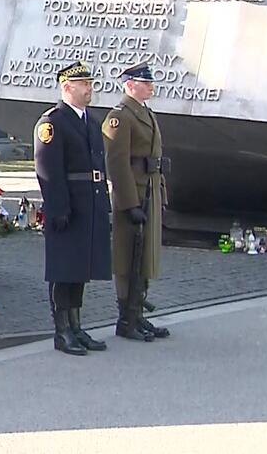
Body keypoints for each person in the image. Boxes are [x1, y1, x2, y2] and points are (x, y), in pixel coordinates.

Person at [34, 61, 112, 356]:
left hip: (89, 203)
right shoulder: (52, 123)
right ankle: (62, 329)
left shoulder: (90, 122)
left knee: (81, 268)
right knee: (63, 269)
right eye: (84, 84)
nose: (89, 89)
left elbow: (98, 167)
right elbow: (48, 169)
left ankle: (77, 326)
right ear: (67, 87)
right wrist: (58, 208)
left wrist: (102, 203)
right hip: (67, 206)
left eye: (90, 83)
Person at [101, 62, 169, 341]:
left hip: (149, 190)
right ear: (130, 85)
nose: (151, 86)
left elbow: (153, 158)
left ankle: (138, 314)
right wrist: (129, 204)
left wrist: (160, 193)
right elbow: (117, 164)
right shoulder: (120, 117)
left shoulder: (145, 113)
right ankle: (125, 318)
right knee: (128, 255)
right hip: (134, 194)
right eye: (145, 82)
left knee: (145, 255)